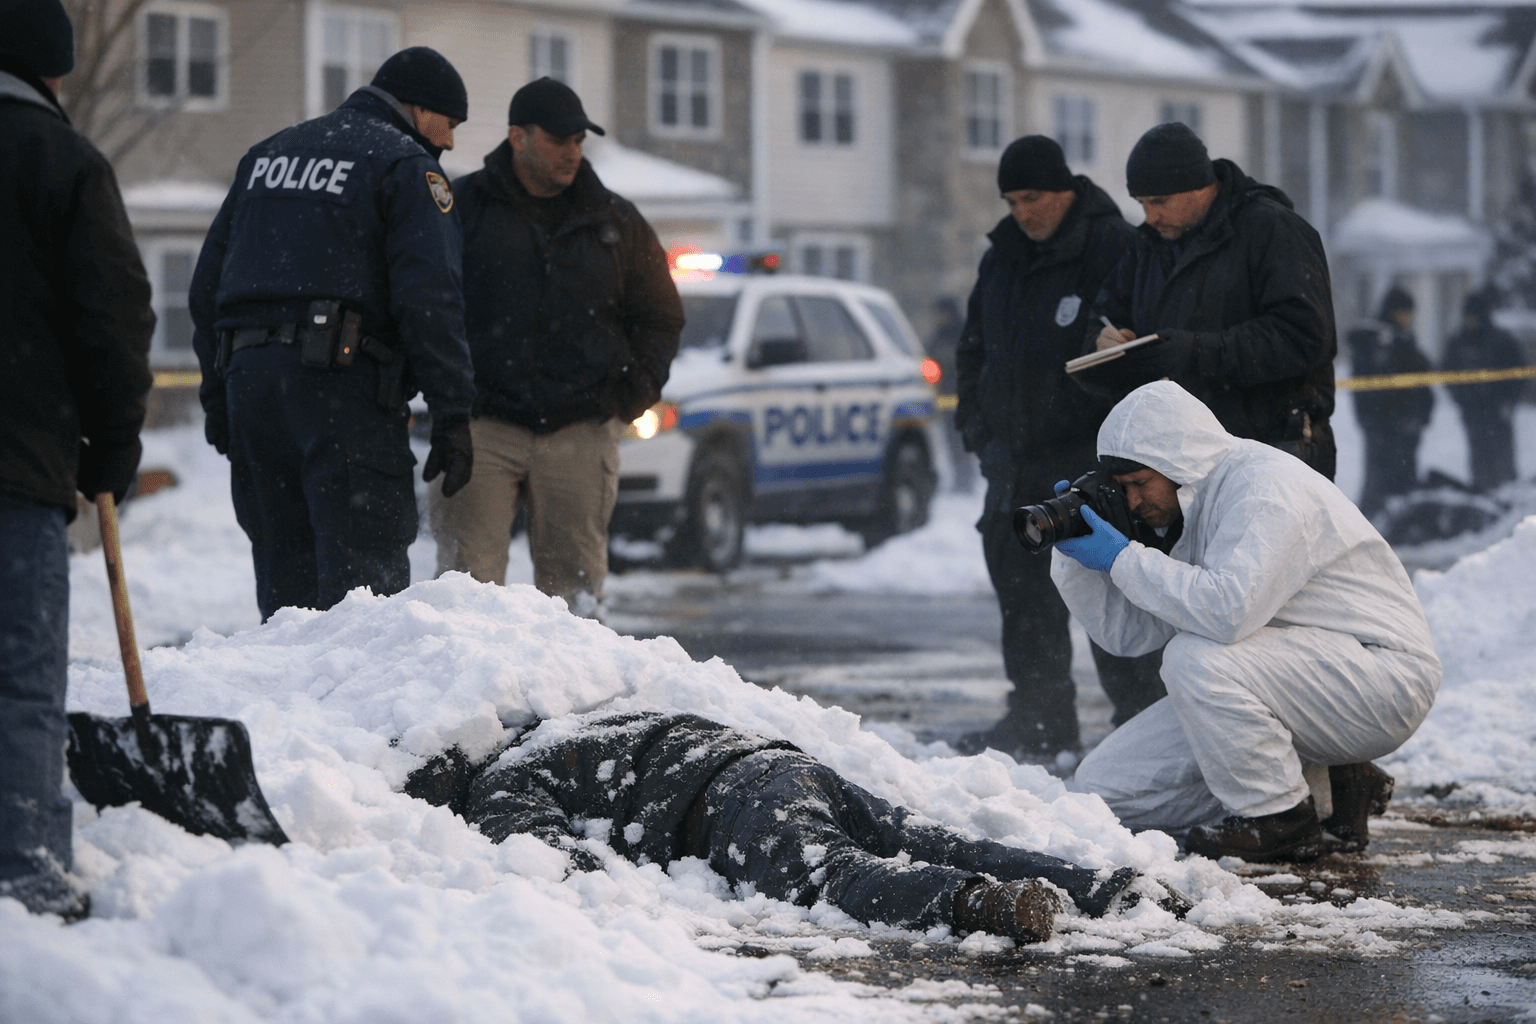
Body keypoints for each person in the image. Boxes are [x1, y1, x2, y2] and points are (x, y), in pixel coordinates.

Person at [1053, 382, 1441, 862]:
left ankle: (1279, 820)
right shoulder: (1191, 504)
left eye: (1139, 484)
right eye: (1123, 488)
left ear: (1179, 466)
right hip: (1300, 676)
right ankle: (1331, 788)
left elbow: (1226, 612)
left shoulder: (1265, 489)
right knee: (1105, 791)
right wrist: (1077, 555)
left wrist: (1124, 559)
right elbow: (1130, 634)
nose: (1132, 502)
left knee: (1196, 658)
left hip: (1382, 677)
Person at [407, 711, 1169, 945]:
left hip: (730, 804)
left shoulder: (504, 776)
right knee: (931, 834)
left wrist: (610, 883)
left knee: (832, 877)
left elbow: (546, 855)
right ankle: (1106, 883)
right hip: (780, 766)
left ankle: (979, 905)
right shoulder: (582, 722)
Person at [191, 48, 477, 622]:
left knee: (285, 587)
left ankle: (289, 710)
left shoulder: (267, 156)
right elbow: (430, 298)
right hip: (343, 397)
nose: (448, 143)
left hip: (251, 387)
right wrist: (453, 411)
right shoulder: (403, 165)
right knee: (362, 598)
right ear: (420, 109)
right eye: (449, 124)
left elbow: (206, 291)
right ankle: (356, 712)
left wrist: (218, 396)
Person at [1, 0, 154, 918]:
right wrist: (112, 441)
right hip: (16, 468)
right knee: (20, 679)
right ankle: (24, 872)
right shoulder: (61, 160)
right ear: (56, 71)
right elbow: (113, 316)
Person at [430, 78, 683, 616]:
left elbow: (660, 316)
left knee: (576, 598)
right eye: (560, 139)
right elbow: (429, 303)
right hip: (483, 426)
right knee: (465, 594)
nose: (572, 151)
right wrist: (447, 395)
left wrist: (632, 394)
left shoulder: (615, 221)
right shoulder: (464, 207)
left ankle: (575, 699)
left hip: (581, 425)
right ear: (518, 137)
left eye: (579, 141)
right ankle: (464, 695)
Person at [951, 135, 1161, 765]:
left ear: (1066, 188)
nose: (1023, 211)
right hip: (1012, 465)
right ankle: (1040, 722)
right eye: (1012, 200)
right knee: (1024, 601)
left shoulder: (1115, 247)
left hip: (1088, 464)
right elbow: (973, 350)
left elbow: (1137, 356)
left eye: (1033, 197)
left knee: (1112, 602)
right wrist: (978, 432)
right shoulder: (1002, 258)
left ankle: (1139, 728)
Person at [1084, 123, 1339, 480]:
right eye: (1141, 204)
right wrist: (1103, 342)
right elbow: (1102, 315)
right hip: (1179, 459)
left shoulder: (1273, 230)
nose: (1149, 216)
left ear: (1200, 187)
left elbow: (1305, 337)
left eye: (1158, 201)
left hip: (1272, 454)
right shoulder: (1147, 248)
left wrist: (1195, 351)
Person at [1347, 287, 1434, 519]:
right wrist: (1374, 422)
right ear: (1396, 312)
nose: (1411, 318)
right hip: (1383, 427)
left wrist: (1419, 417)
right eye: (1407, 312)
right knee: (1379, 485)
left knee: (1403, 485)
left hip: (1405, 427)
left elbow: (1420, 381)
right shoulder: (1376, 342)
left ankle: (1400, 527)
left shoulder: (1402, 340)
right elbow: (1367, 389)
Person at [1443, 286, 1527, 492]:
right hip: (1473, 415)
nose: (1469, 320)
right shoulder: (1458, 342)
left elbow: (1519, 376)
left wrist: (1508, 403)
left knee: (1503, 465)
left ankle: (1506, 500)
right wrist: (1462, 399)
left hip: (1498, 416)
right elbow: (1447, 374)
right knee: (1479, 466)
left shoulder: (1502, 341)